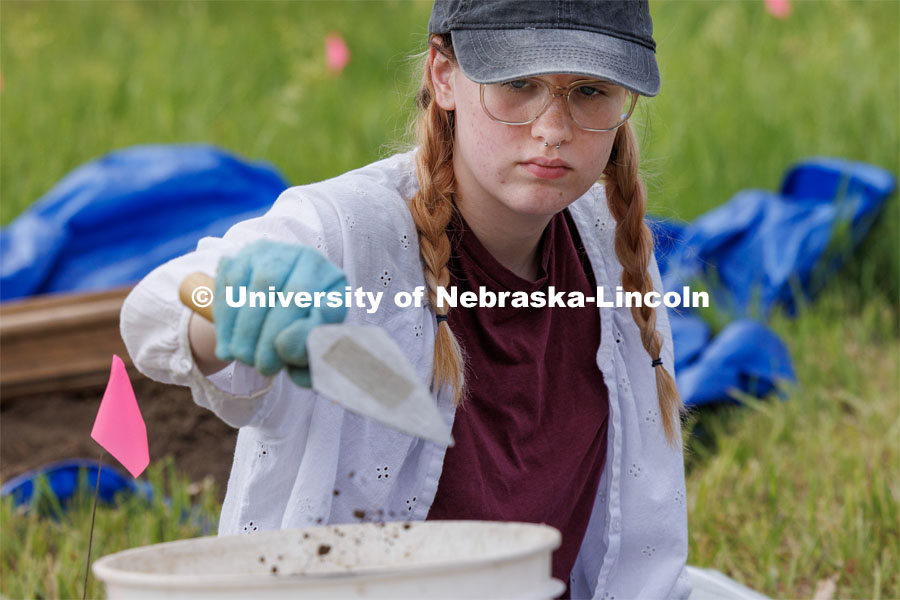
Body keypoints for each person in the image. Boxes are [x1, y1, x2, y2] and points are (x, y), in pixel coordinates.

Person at [121, 1, 692, 598]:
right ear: (443, 75)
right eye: (518, 85)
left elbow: (637, 556)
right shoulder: (346, 232)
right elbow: (156, 311)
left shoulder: (610, 245)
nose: (553, 129)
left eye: (591, 91)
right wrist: (234, 303)